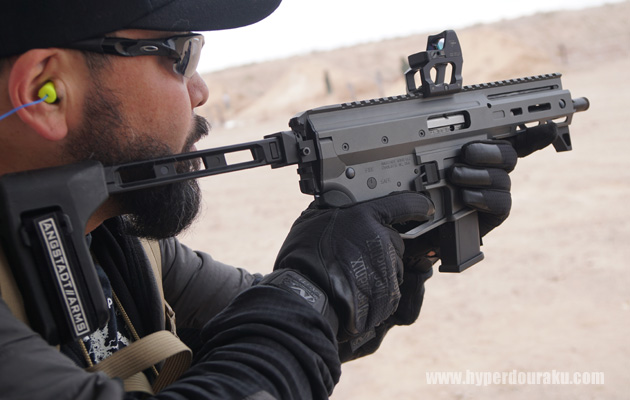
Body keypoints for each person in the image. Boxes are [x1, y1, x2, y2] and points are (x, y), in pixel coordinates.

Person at [0, 1, 556, 399]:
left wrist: (399, 247)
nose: (201, 91)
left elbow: (274, 325)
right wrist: (316, 286)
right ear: (46, 93)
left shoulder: (116, 240)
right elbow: (290, 319)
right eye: (180, 56)